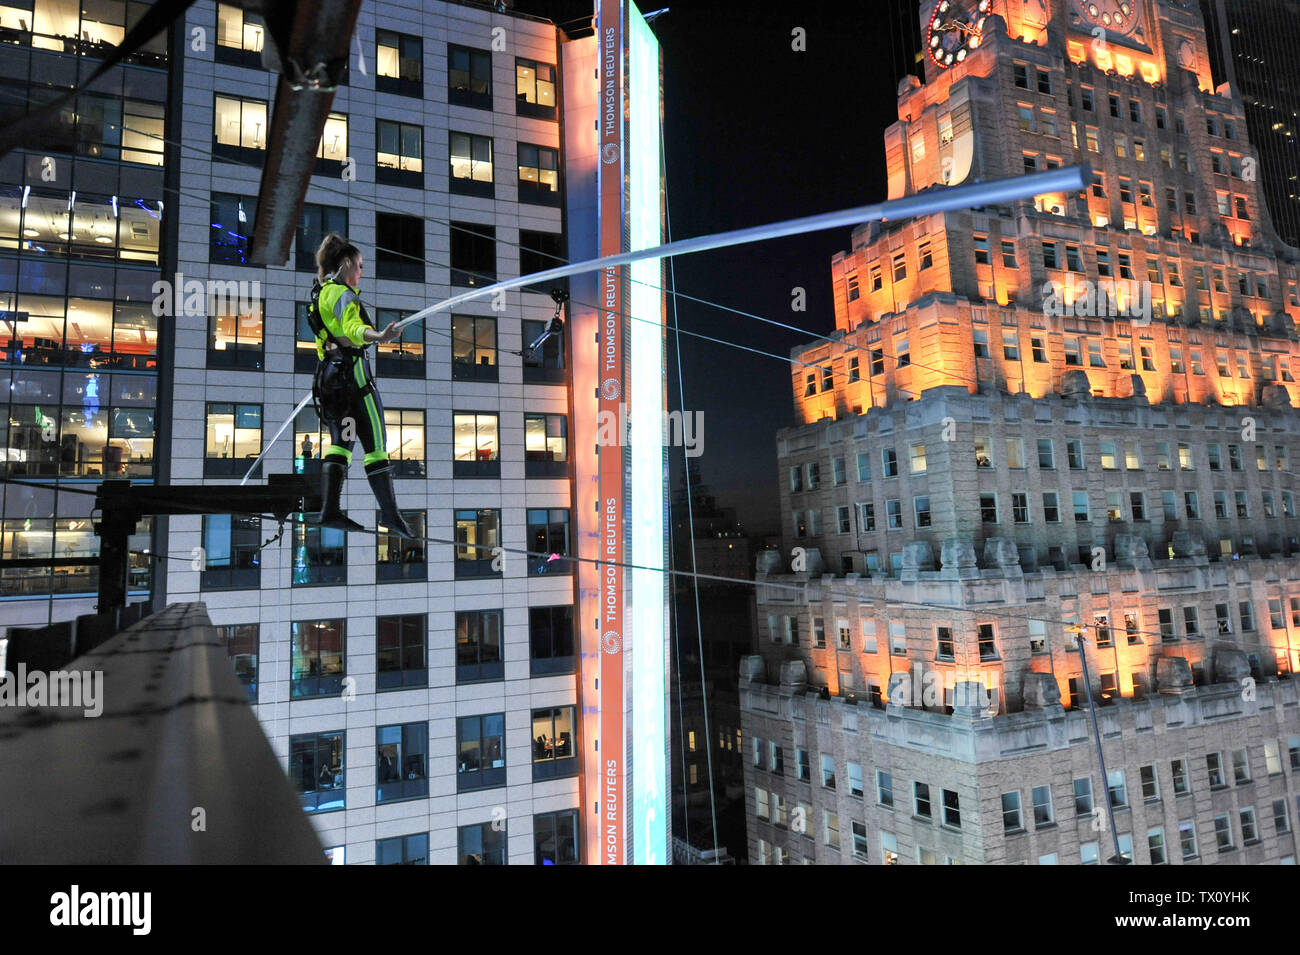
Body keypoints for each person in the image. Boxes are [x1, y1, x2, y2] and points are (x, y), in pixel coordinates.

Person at [309, 233, 415, 538]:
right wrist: (379, 337)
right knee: (376, 448)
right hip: (354, 379)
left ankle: (329, 511)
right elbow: (354, 329)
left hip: (329, 380)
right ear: (345, 264)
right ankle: (391, 515)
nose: (361, 272)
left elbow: (328, 338)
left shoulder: (319, 294)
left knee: (341, 444)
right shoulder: (342, 294)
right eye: (359, 266)